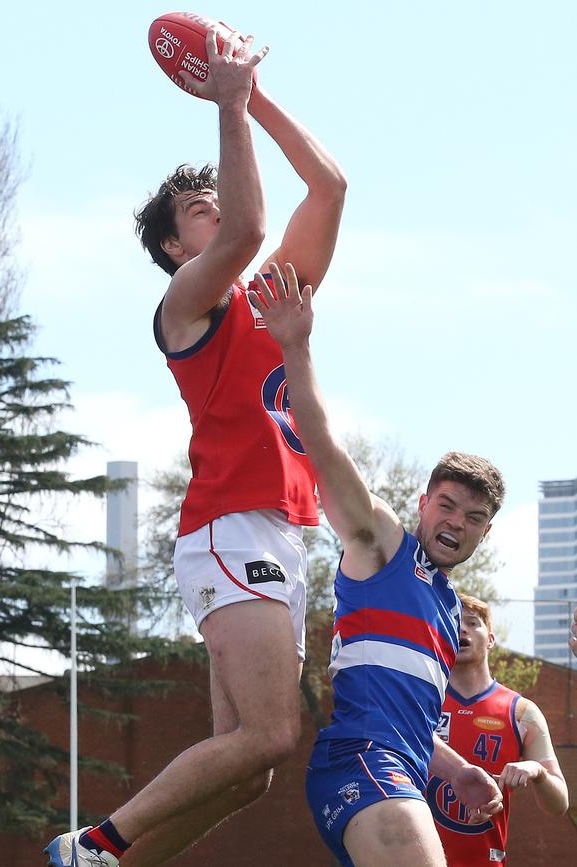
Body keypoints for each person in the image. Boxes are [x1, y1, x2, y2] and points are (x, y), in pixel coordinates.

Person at [45, 24, 346, 867]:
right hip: (230, 526)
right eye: (195, 210)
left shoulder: (267, 296)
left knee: (248, 768)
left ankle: (108, 863)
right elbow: (248, 225)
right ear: (178, 249)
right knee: (270, 733)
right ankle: (92, 843)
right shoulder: (187, 303)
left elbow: (328, 184)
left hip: (281, 532)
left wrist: (251, 91)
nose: (214, 205)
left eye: (213, 195)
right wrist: (227, 103)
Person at [250, 264, 505, 867]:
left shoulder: (447, 609)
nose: (454, 523)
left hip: (398, 773)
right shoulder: (383, 544)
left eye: (472, 518)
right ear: (423, 503)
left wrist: (462, 769)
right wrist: (295, 345)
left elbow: (409, 718)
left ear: (485, 532)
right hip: (363, 763)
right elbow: (326, 449)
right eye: (446, 505)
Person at [426, 593, 569, 865]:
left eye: (472, 622)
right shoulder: (419, 702)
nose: (462, 629)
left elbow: (559, 805)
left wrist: (537, 772)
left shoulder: (522, 712)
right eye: (454, 623)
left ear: (490, 639)